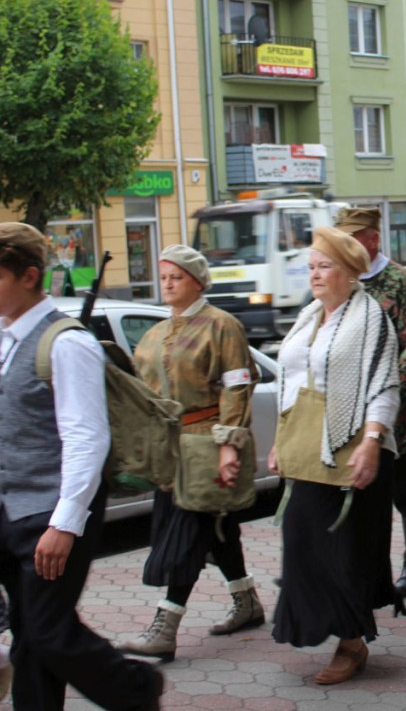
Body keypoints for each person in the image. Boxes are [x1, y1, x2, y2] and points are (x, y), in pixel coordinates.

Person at [0, 222, 163, 710]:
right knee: (31, 630)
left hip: (52, 513)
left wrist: (65, 524)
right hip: (11, 509)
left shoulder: (67, 343)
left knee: (49, 631)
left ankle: (135, 689)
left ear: (29, 277)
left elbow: (87, 438)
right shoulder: (6, 339)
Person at [271, 226, 403, 684]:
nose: (316, 275)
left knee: (343, 549)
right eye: (311, 267)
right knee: (303, 539)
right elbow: (291, 381)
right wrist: (279, 441)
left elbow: (385, 385)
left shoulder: (371, 318)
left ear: (350, 272)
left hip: (350, 447)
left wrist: (370, 441)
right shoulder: (309, 316)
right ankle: (334, 630)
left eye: (325, 266)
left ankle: (351, 643)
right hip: (307, 444)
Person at [120, 245, 262, 662]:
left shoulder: (223, 326)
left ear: (198, 281)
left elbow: (237, 386)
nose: (167, 283)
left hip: (207, 446)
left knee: (186, 533)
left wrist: (228, 446)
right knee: (218, 532)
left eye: (176, 277)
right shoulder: (152, 335)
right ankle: (248, 603)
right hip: (171, 449)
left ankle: (165, 628)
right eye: (163, 276)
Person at [335, 207, 406, 598]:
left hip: (399, 416)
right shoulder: (343, 280)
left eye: (353, 237)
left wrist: (384, 392)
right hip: (350, 416)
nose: (346, 244)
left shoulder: (398, 282)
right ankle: (368, 567)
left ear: (373, 239)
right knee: (360, 496)